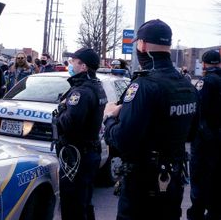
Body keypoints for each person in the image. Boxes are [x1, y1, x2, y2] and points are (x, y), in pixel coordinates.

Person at [103, 19, 199, 220]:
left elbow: (123, 140)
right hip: (172, 181)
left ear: (142, 45)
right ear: (168, 46)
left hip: (143, 186)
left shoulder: (144, 85)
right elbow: (191, 132)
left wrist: (109, 118)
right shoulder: (186, 84)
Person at [53, 48, 107, 220]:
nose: (70, 65)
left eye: (74, 62)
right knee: (84, 202)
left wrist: (61, 110)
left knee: (72, 205)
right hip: (88, 152)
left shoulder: (81, 92)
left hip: (76, 156)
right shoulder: (97, 86)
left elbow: (70, 124)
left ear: (83, 66)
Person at [187, 50, 221, 220]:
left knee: (200, 184)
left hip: (205, 142)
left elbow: (196, 110)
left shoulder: (205, 82)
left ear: (205, 64)